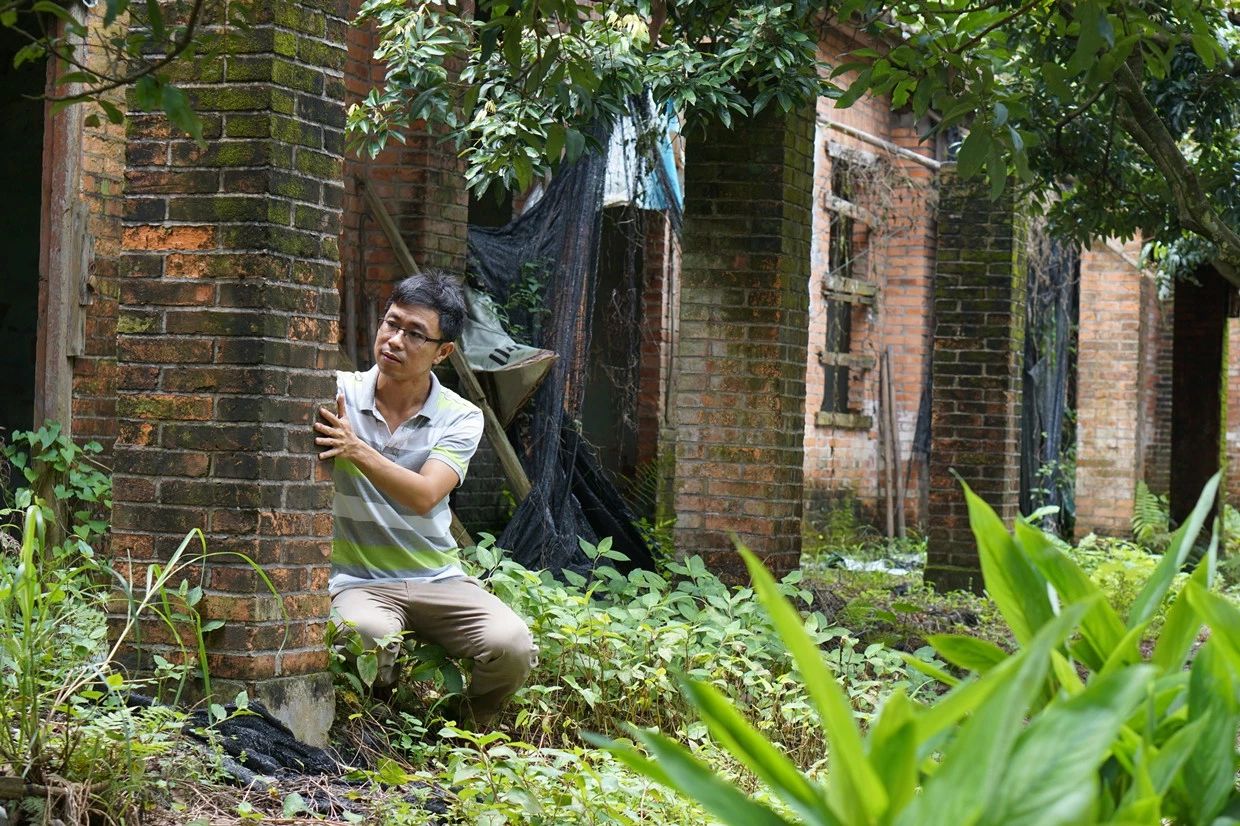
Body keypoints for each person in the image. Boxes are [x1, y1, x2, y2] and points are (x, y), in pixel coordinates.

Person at [314, 270, 537, 724]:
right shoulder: (337, 393)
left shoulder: (460, 417)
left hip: (436, 577)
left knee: (512, 644)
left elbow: (425, 495)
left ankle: (466, 729)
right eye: (391, 324)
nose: (395, 340)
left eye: (415, 334)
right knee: (368, 636)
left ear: (444, 352)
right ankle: (381, 722)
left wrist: (356, 449)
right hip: (358, 581)